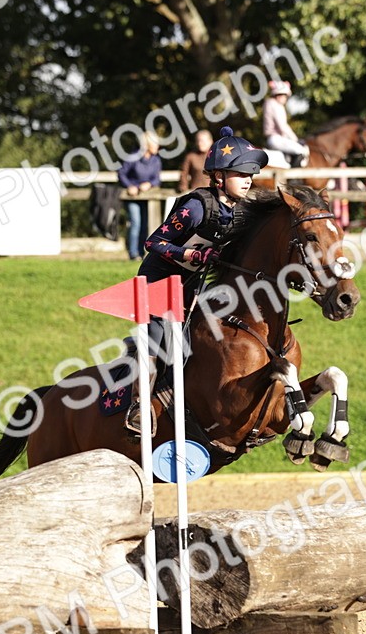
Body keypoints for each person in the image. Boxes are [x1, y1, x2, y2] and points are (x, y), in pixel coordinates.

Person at [124, 127, 269, 436]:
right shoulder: (196, 207)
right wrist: (191, 254)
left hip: (192, 284)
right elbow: (154, 242)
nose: (249, 179)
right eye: (242, 172)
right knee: (159, 336)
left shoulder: (238, 210)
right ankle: (139, 405)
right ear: (219, 175)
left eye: (251, 174)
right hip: (159, 281)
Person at [117, 132, 163, 260]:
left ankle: (142, 252)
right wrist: (130, 186)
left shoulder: (156, 160)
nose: (158, 146)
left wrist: (149, 184)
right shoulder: (133, 157)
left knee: (145, 224)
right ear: (147, 144)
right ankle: (133, 253)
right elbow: (121, 174)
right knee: (135, 222)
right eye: (155, 143)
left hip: (148, 197)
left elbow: (157, 179)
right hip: (132, 197)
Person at [262, 81, 309, 167]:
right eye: (285, 96)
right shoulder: (275, 105)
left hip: (276, 138)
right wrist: (296, 140)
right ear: (279, 95)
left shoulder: (271, 103)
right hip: (276, 138)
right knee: (301, 151)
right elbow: (283, 126)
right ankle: (293, 179)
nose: (286, 99)